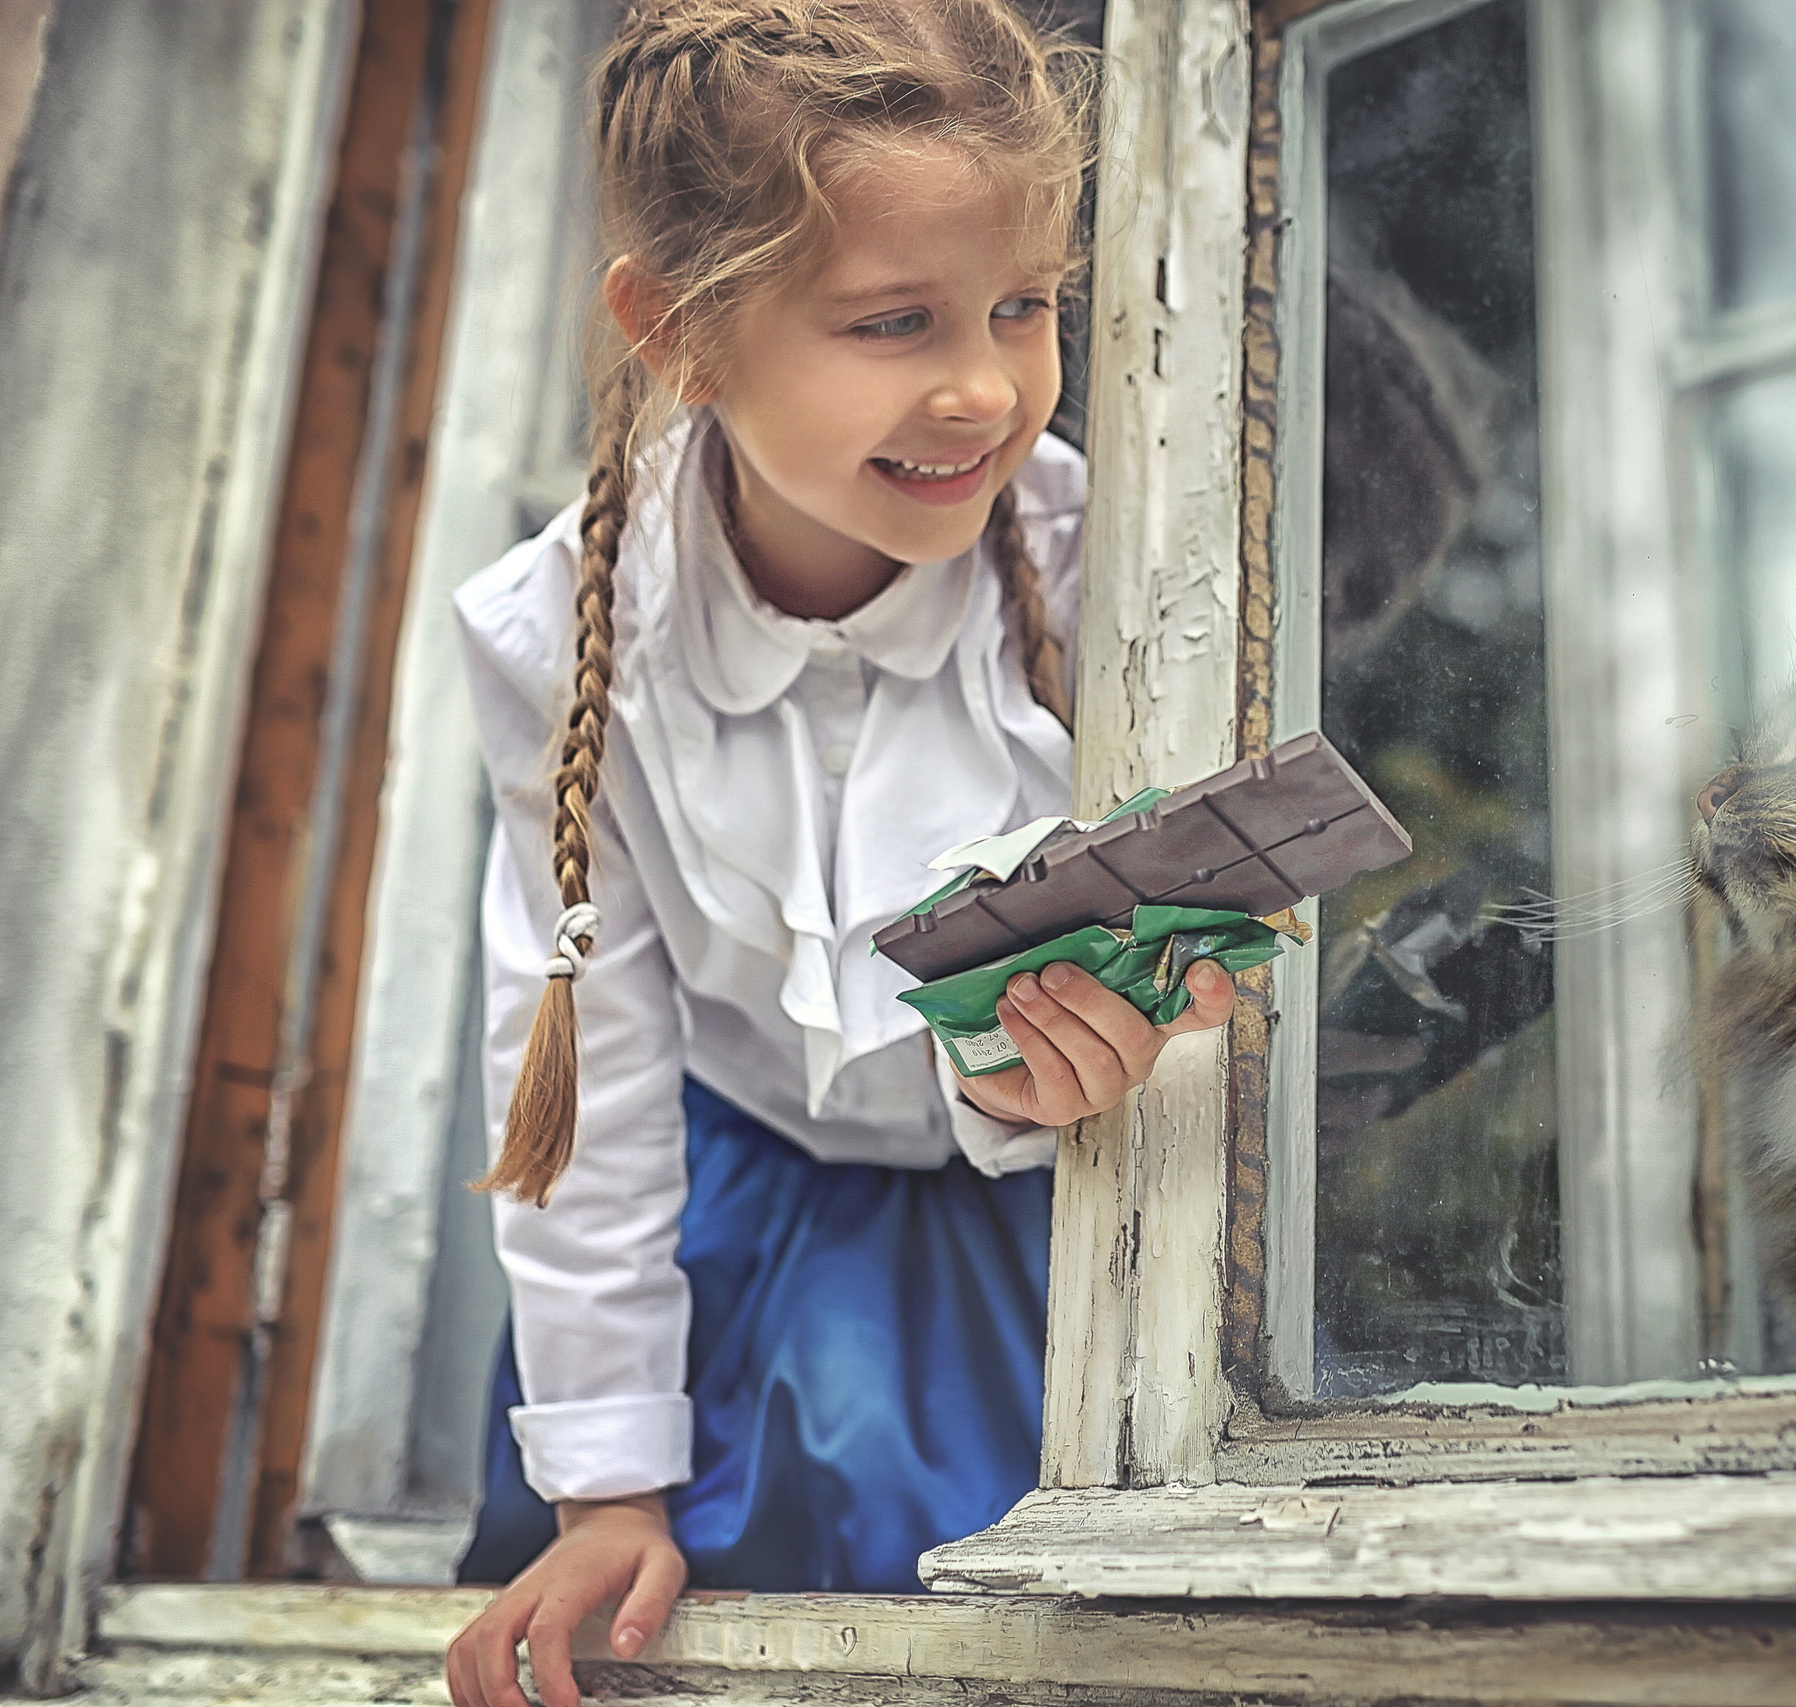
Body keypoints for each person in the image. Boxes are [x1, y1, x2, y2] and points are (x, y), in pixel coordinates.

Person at [440, 6, 1233, 1705]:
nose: (984, 386)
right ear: (679, 332)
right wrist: (608, 1481)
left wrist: (1074, 1069)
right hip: (710, 1250)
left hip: (1033, 1234)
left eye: (1024, 306)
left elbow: (1192, 986)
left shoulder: (1123, 574)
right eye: (894, 321)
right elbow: (589, 1078)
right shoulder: (552, 634)